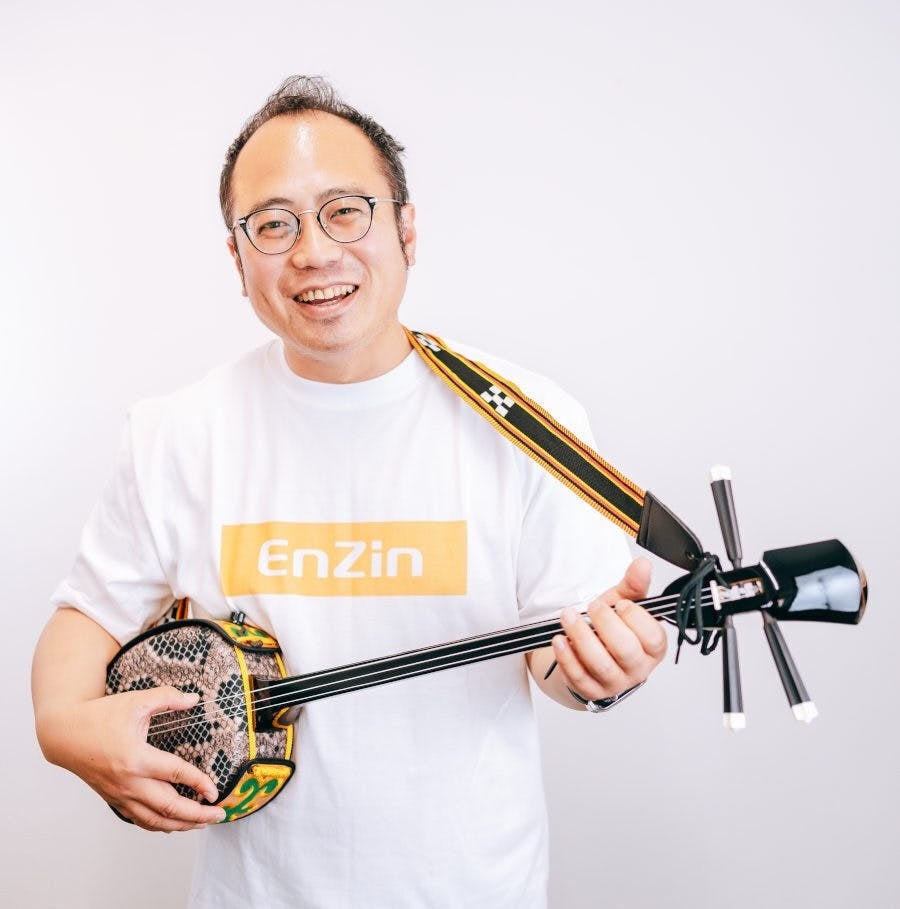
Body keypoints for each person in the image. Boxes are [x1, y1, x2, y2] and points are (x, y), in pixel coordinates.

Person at [32, 75, 667, 908]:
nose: (313, 252)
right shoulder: (177, 432)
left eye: (345, 211)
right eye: (273, 224)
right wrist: (65, 729)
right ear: (237, 259)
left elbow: (558, 661)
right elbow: (85, 618)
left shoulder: (529, 422)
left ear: (407, 228)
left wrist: (600, 669)